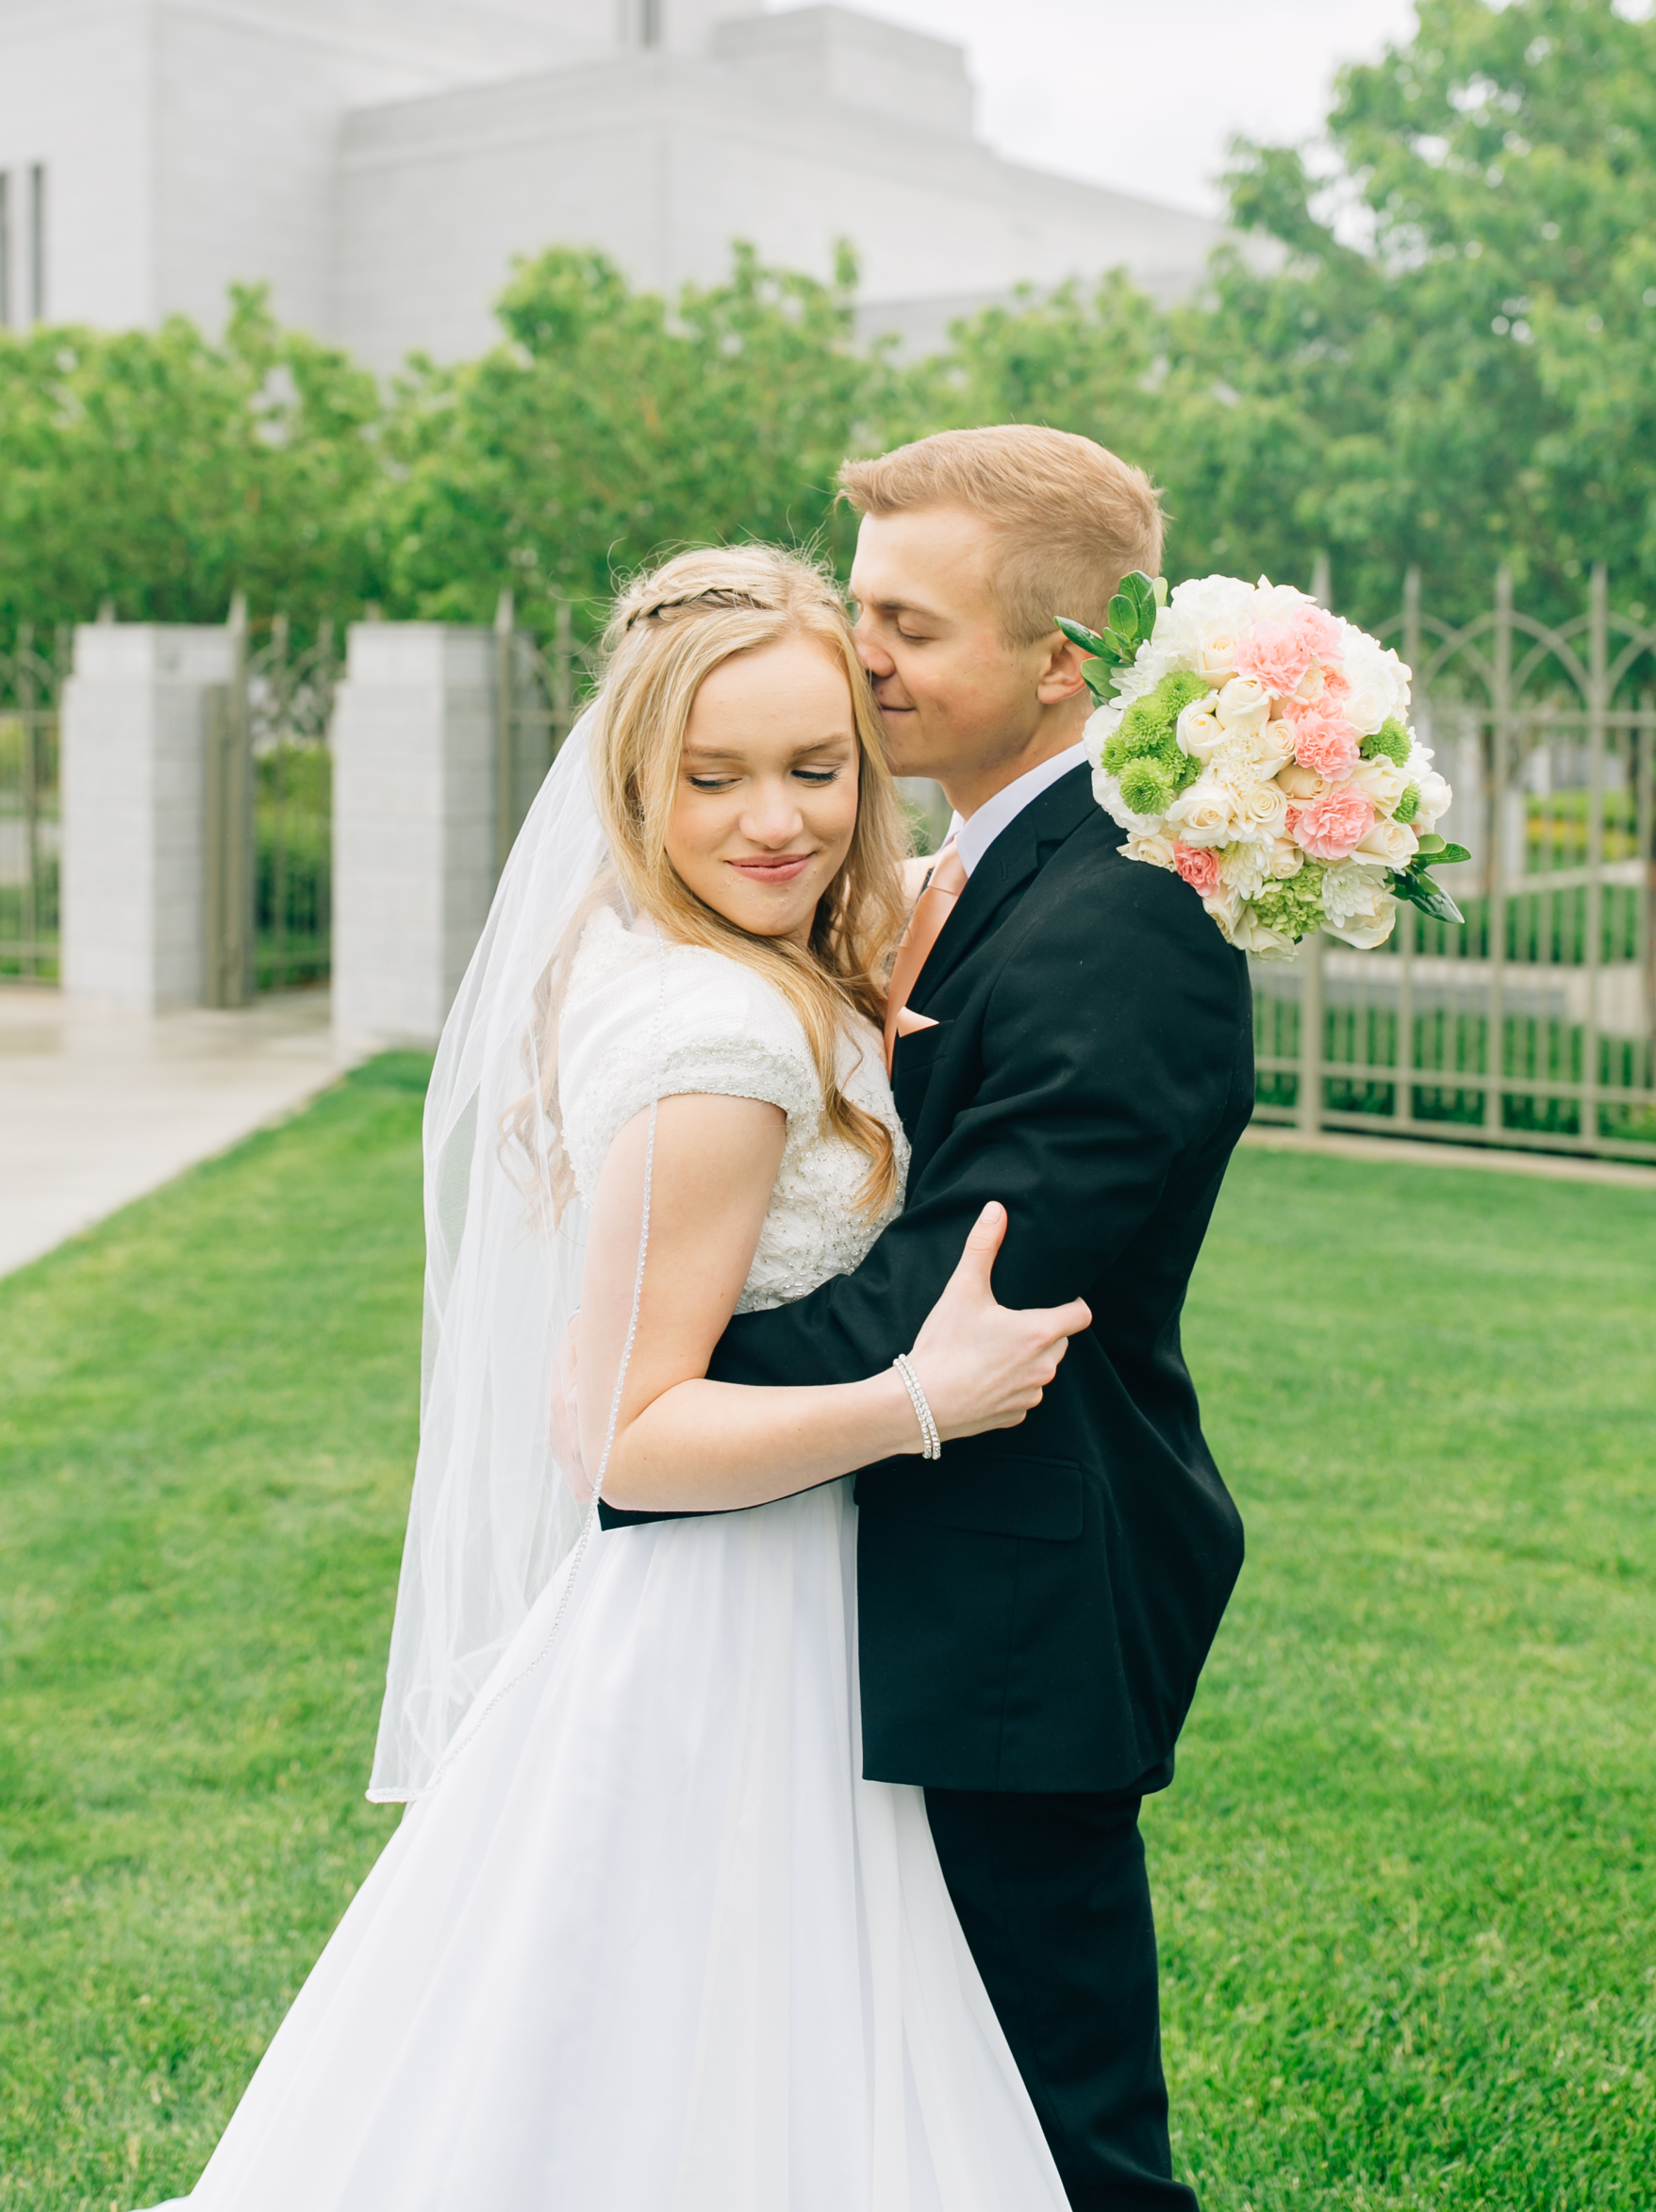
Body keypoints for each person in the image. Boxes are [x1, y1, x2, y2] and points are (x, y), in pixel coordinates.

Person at [140, 541, 1088, 2210]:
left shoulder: (691, 956)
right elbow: (623, 1436)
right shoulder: (717, 1045)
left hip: (768, 1604)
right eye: (711, 779)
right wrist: (923, 1397)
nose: (775, 820)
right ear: (634, 780)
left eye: (814, 769)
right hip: (725, 1629)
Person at [682, 427, 1256, 2209]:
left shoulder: (1121, 918)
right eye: (864, 609)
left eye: (908, 627)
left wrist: (658, 1410)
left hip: (1018, 1595)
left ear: (1060, 663)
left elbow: (963, 1289)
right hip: (902, 1560)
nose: (860, 659)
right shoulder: (971, 863)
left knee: (1057, 2129)